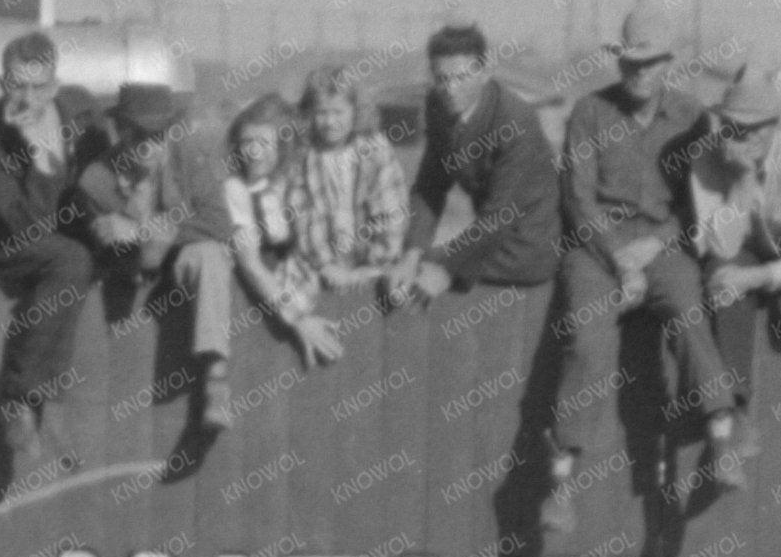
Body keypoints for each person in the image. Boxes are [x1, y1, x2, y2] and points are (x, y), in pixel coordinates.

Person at [540, 8, 712, 532]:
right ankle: (560, 480)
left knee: (689, 310)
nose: (639, 72)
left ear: (668, 62)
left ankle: (723, 429)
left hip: (661, 246)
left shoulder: (692, 115)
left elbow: (698, 203)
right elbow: (578, 197)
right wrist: (619, 256)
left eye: (650, 61)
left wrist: (655, 246)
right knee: (588, 343)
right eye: (630, 61)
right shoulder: (591, 110)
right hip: (598, 247)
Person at [665, 71, 781, 498]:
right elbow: (717, 246)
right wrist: (740, 181)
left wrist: (758, 276)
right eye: (737, 128)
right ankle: (735, 411)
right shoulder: (707, 161)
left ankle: (733, 414)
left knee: (747, 281)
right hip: (736, 256)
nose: (747, 137)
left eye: (758, 127)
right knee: (724, 275)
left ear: (775, 125)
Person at [70, 80, 242, 443]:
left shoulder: (192, 155)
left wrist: (144, 228)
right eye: (139, 134)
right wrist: (116, 236)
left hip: (182, 258)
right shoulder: (95, 180)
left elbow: (218, 224)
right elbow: (95, 243)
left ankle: (216, 378)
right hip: (131, 279)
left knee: (210, 255)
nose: (149, 143)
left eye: (159, 134)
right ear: (121, 130)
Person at [0, 30, 94, 471]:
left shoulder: (81, 114)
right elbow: (25, 223)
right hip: (5, 244)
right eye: (19, 85)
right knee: (70, 260)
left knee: (87, 255)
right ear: (2, 85)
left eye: (39, 87)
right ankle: (20, 400)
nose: (30, 97)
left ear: (55, 86)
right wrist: (34, 149)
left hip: (70, 235)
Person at [386, 21, 557, 305]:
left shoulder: (515, 120)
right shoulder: (437, 103)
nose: (450, 89)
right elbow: (430, 187)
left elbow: (499, 217)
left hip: (526, 248)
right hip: (484, 241)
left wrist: (447, 269)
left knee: (422, 272)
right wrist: (412, 252)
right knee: (399, 263)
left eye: (462, 77)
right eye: (441, 79)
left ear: (485, 72)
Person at [217, 95, 342, 369]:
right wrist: (297, 318)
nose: (253, 152)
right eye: (247, 142)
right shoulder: (236, 190)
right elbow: (250, 264)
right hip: (261, 309)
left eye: (263, 142)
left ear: (285, 145)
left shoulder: (301, 182)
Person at [284, 63, 407, 295]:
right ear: (310, 113)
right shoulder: (304, 154)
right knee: (298, 289)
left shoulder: (375, 149)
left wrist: (376, 262)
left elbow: (390, 210)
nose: (329, 122)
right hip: (319, 263)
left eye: (338, 112)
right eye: (322, 113)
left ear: (355, 111)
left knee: (396, 290)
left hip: (371, 262)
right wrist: (325, 264)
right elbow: (301, 213)